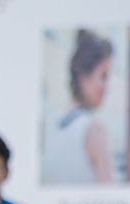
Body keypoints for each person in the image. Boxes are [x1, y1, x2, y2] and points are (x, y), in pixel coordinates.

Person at [42, 30, 114, 184]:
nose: (107, 88)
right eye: (103, 76)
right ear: (83, 77)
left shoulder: (56, 132)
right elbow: (109, 193)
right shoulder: (94, 130)